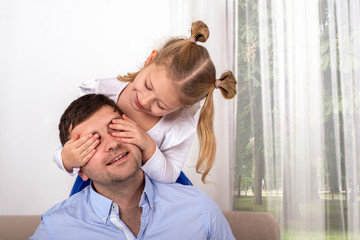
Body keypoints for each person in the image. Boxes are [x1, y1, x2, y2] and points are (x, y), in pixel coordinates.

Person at [53, 20, 237, 195]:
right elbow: (73, 138)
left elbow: (170, 174)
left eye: (161, 105)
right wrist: (66, 159)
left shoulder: (179, 125)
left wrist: (147, 144)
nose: (145, 100)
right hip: (106, 180)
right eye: (148, 85)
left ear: (180, 108)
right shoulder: (103, 91)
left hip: (156, 190)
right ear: (150, 59)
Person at [31, 94, 235, 239]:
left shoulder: (200, 209)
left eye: (116, 128)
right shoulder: (54, 229)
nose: (112, 143)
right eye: (92, 142)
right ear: (79, 170)